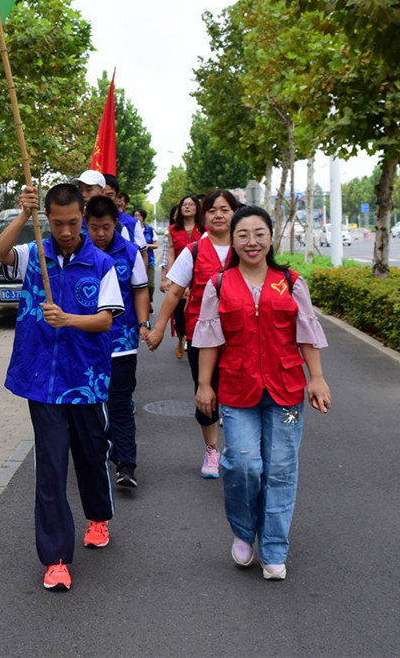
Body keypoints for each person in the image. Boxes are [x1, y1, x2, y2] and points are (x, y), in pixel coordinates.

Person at [0, 181, 123, 592]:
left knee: (89, 454)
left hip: (84, 380)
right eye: (57, 223)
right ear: (48, 218)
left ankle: (98, 516)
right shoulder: (34, 255)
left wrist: (67, 319)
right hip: (42, 382)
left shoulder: (101, 264)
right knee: (50, 467)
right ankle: (56, 559)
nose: (65, 231)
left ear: (82, 217)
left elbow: (105, 320)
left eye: (72, 222)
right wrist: (23, 215)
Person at [193, 205, 331, 581]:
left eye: (259, 234)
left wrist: (316, 378)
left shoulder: (291, 282)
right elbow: (208, 338)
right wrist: (205, 384)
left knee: (282, 468)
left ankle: (273, 548)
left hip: (287, 393)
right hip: (238, 392)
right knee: (243, 464)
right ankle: (242, 530)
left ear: (271, 237)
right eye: (243, 235)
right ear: (232, 241)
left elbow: (306, 333)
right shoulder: (219, 284)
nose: (251, 242)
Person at [146, 190, 237, 478]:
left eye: (224, 209)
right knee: (205, 392)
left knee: (236, 393)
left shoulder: (246, 246)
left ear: (236, 214)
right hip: (202, 335)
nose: (218, 215)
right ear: (203, 216)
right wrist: (159, 328)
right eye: (212, 210)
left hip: (240, 335)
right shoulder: (195, 250)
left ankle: (237, 449)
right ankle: (212, 450)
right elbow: (174, 292)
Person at [85, 195, 151, 489]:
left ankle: (126, 463)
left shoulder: (130, 252)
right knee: (91, 404)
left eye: (107, 227)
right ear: (86, 224)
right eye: (95, 227)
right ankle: (97, 455)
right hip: (84, 343)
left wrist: (143, 324)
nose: (100, 234)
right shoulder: (77, 252)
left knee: (120, 403)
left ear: (116, 224)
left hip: (122, 342)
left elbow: (139, 290)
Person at [161, 194, 204, 360]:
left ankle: (194, 340)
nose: (187, 207)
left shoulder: (204, 229)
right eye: (184, 204)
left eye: (191, 204)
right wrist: (169, 277)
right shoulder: (173, 230)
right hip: (180, 275)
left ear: (197, 208)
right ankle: (181, 338)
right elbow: (171, 253)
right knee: (179, 314)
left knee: (197, 311)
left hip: (199, 275)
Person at [103, 174, 147, 250]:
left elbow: (143, 254)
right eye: (101, 194)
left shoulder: (133, 223)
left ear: (117, 196)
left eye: (109, 195)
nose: (104, 199)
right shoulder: (84, 222)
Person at [134, 207, 158, 299]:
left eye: (139, 216)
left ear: (143, 217)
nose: (137, 218)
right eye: (135, 216)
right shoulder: (131, 230)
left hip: (149, 261)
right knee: (139, 284)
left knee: (150, 285)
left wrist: (146, 246)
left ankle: (148, 300)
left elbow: (156, 245)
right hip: (136, 262)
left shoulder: (150, 230)